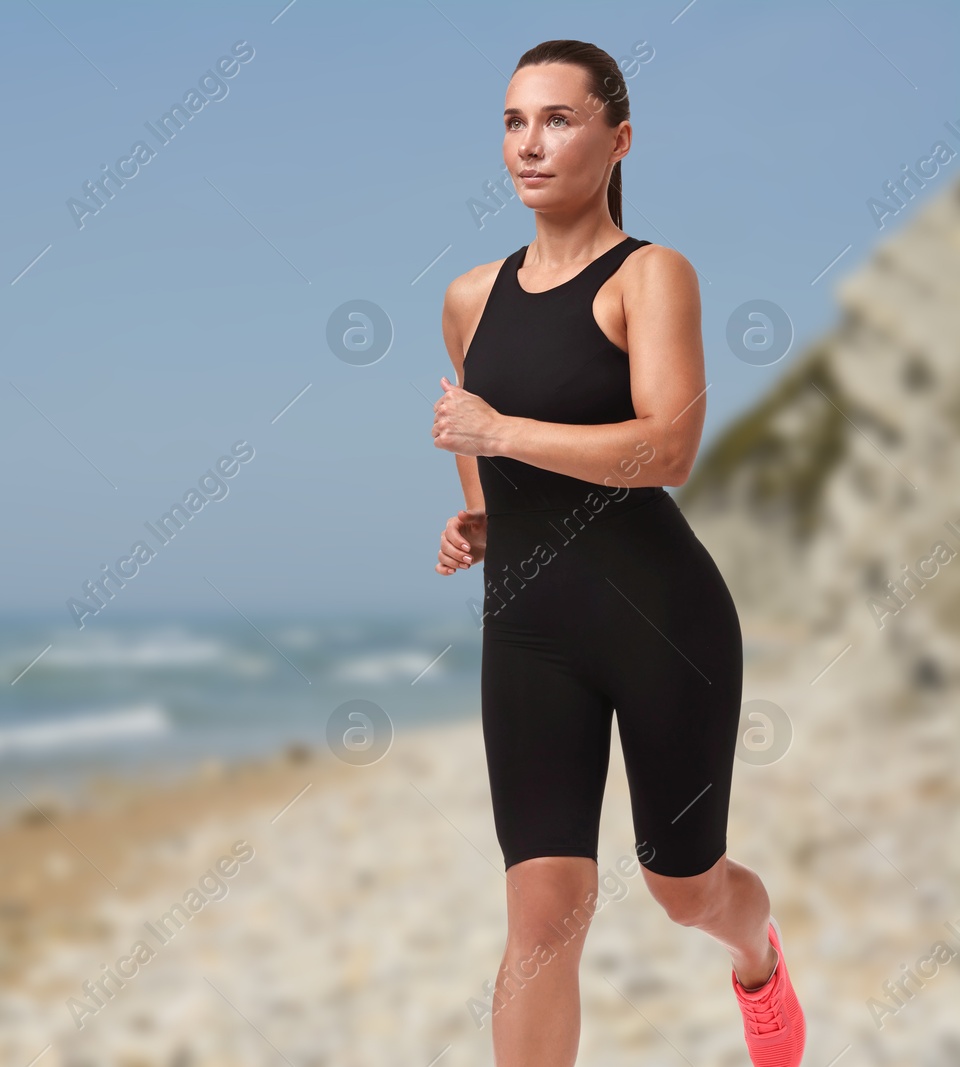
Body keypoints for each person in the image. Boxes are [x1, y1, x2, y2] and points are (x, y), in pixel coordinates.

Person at [429, 39, 805, 1066]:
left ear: (618, 137)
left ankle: (757, 954)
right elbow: (483, 452)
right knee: (542, 912)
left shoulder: (650, 275)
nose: (529, 144)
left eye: (557, 119)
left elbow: (665, 445)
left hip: (659, 619)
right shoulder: (468, 297)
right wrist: (481, 518)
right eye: (513, 121)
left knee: (687, 889)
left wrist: (500, 433)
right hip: (529, 634)